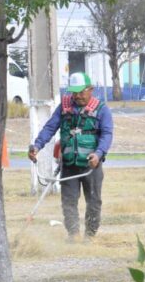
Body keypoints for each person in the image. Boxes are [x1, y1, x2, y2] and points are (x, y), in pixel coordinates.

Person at [28, 72, 113, 242]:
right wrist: (37, 146)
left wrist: (98, 154)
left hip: (91, 166)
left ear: (91, 90)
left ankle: (90, 236)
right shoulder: (64, 107)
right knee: (68, 201)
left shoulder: (102, 110)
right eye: (74, 92)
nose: (77, 96)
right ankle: (73, 234)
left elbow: (107, 135)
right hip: (68, 164)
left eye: (81, 92)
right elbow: (50, 128)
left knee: (94, 202)